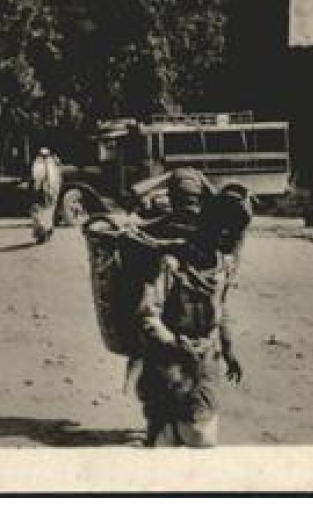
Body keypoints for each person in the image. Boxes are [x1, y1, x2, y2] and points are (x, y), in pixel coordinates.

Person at [134, 189, 250, 447]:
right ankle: (158, 429)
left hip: (204, 358)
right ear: (206, 225)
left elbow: (221, 311)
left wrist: (229, 352)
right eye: (220, 227)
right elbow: (148, 314)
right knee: (166, 440)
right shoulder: (171, 264)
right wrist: (175, 344)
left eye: (230, 230)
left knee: (201, 437)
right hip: (168, 359)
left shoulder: (223, 268)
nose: (224, 235)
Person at [29, 147, 62, 244]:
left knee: (42, 213)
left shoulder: (42, 164)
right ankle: (44, 233)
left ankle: (43, 234)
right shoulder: (50, 164)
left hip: (45, 192)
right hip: (49, 192)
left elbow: (38, 178)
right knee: (45, 213)